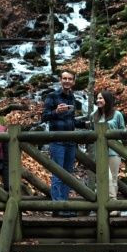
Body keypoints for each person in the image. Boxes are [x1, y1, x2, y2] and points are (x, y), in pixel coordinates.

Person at [41, 70, 78, 211]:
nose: (67, 81)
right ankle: (57, 207)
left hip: (71, 141)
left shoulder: (72, 98)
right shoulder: (52, 96)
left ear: (73, 81)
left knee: (67, 175)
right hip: (57, 141)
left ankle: (65, 205)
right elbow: (44, 117)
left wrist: (86, 124)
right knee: (58, 173)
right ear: (60, 80)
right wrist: (56, 112)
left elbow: (72, 120)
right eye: (64, 78)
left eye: (70, 79)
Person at [92, 90, 125, 200]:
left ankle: (112, 208)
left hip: (114, 151)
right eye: (97, 98)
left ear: (108, 99)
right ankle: (112, 202)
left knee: (114, 178)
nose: (98, 100)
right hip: (100, 151)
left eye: (101, 98)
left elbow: (122, 131)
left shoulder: (117, 115)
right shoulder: (94, 115)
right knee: (106, 177)